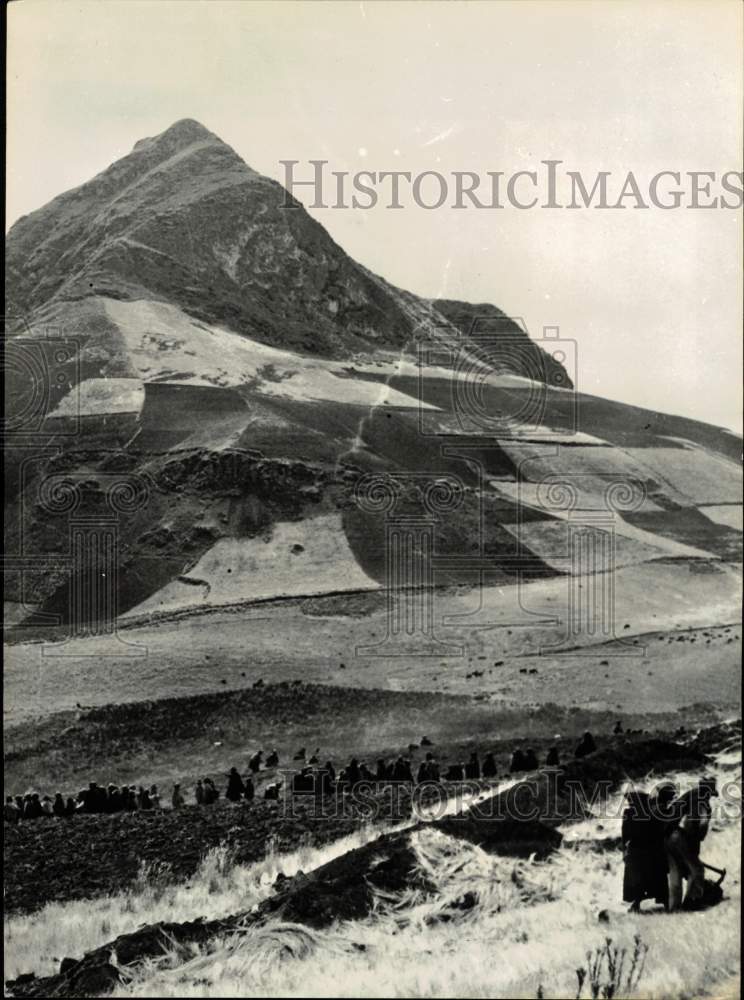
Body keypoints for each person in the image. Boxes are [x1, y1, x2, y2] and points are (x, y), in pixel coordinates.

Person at [666, 777, 719, 911]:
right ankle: (691, 903)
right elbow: (692, 825)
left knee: (675, 872)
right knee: (697, 870)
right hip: (681, 837)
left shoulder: (689, 795)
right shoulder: (701, 803)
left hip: (667, 836)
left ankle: (674, 907)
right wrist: (695, 842)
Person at [621, 783, 676, 912]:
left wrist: (625, 850)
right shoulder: (651, 809)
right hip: (653, 849)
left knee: (638, 878)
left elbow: (625, 835)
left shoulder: (629, 813)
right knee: (657, 876)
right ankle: (664, 901)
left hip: (638, 850)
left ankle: (637, 903)